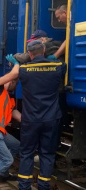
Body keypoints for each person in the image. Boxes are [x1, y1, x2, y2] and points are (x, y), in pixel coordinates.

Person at [5, 40, 66, 190]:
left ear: (30, 54)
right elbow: (62, 67)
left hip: (31, 119)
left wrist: (15, 63)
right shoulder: (58, 67)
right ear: (44, 50)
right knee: (47, 153)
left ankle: (24, 186)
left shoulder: (24, 70)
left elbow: (14, 75)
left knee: (27, 153)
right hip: (51, 119)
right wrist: (52, 59)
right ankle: (43, 185)